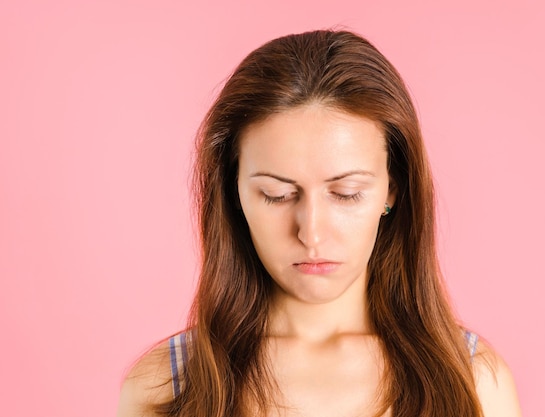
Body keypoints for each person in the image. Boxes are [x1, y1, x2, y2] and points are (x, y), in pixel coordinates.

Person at [117, 30, 522, 417]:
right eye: (276, 194)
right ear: (234, 192)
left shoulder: (473, 380)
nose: (311, 233)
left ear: (392, 189)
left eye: (346, 193)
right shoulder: (167, 385)